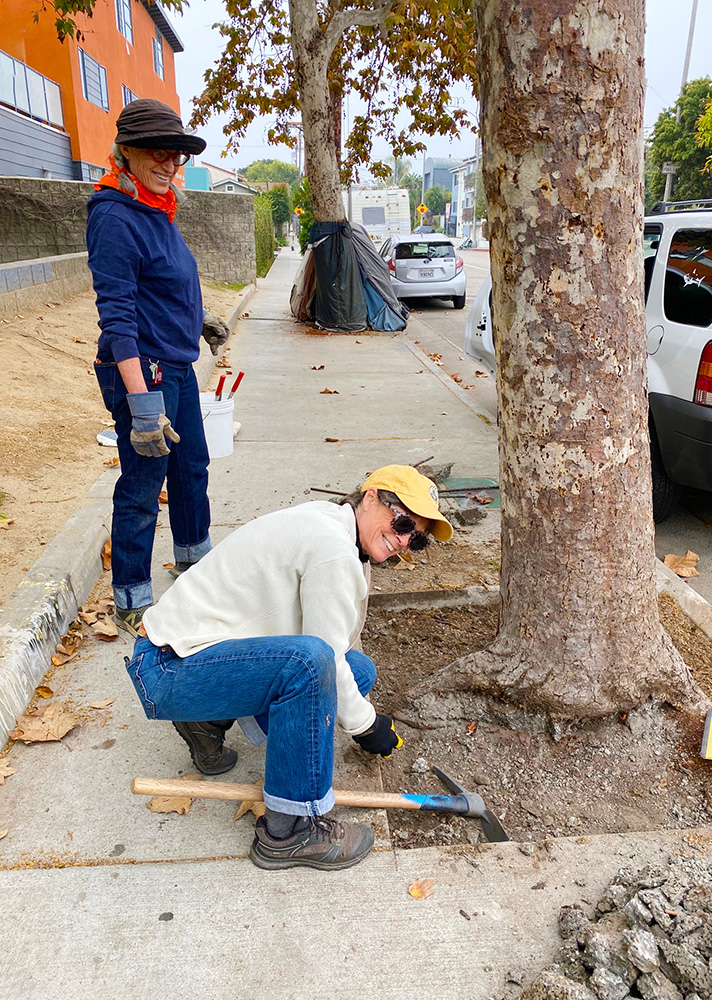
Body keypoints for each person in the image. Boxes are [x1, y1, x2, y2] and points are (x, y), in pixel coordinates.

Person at [126, 465, 453, 872]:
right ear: (370, 497)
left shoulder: (335, 529)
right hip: (167, 667)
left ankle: (208, 721)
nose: (404, 540)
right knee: (313, 666)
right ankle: (289, 831)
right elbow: (323, 655)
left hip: (191, 657)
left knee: (357, 670)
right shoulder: (333, 548)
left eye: (417, 539)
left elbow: (337, 651)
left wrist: (356, 713)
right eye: (402, 522)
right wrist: (368, 726)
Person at [87, 99, 230, 636]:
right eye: (158, 154)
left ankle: (196, 563)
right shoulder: (115, 216)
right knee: (144, 483)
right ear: (127, 152)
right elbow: (119, 316)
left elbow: (166, 285)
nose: (170, 164)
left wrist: (200, 318)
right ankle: (131, 596)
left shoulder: (157, 208)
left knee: (192, 469)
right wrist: (142, 405)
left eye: (175, 155)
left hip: (177, 365)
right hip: (142, 371)